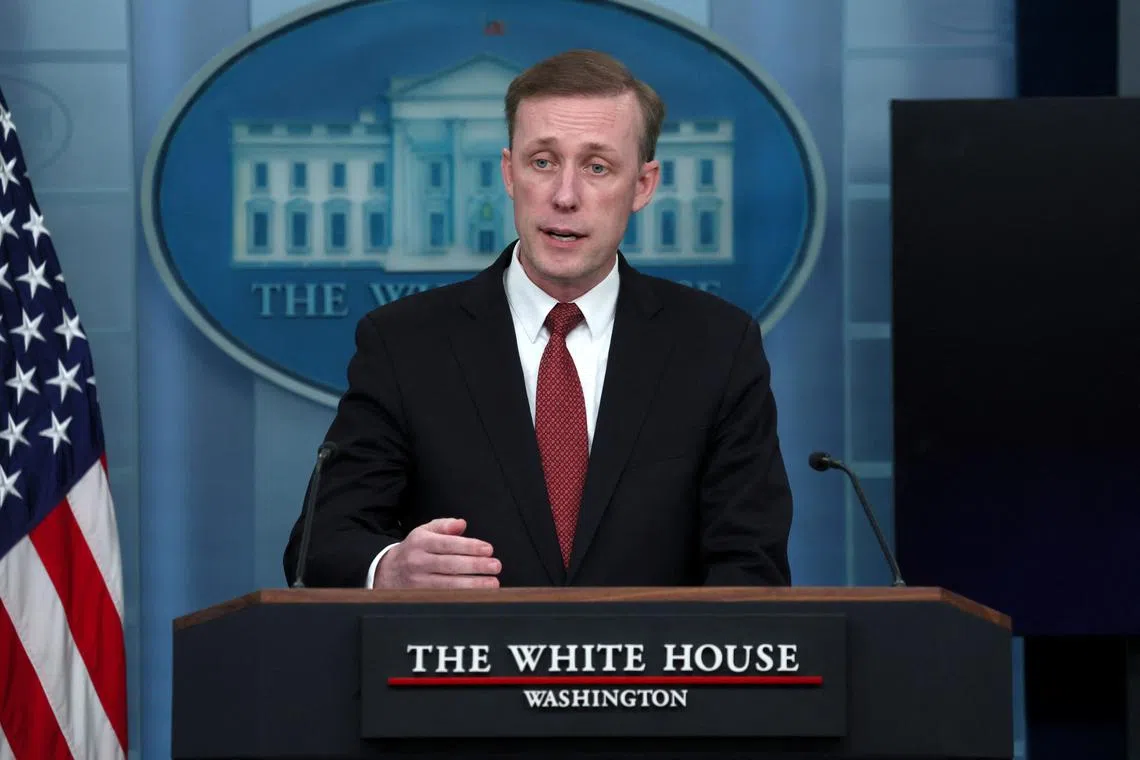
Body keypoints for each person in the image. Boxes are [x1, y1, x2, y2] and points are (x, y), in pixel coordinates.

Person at [282, 49, 793, 589]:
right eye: (543, 162)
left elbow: (751, 566)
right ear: (509, 172)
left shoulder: (716, 345)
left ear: (643, 186)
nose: (564, 196)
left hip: (652, 673)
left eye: (596, 167)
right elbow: (320, 544)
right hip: (461, 669)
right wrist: (389, 568)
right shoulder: (405, 343)